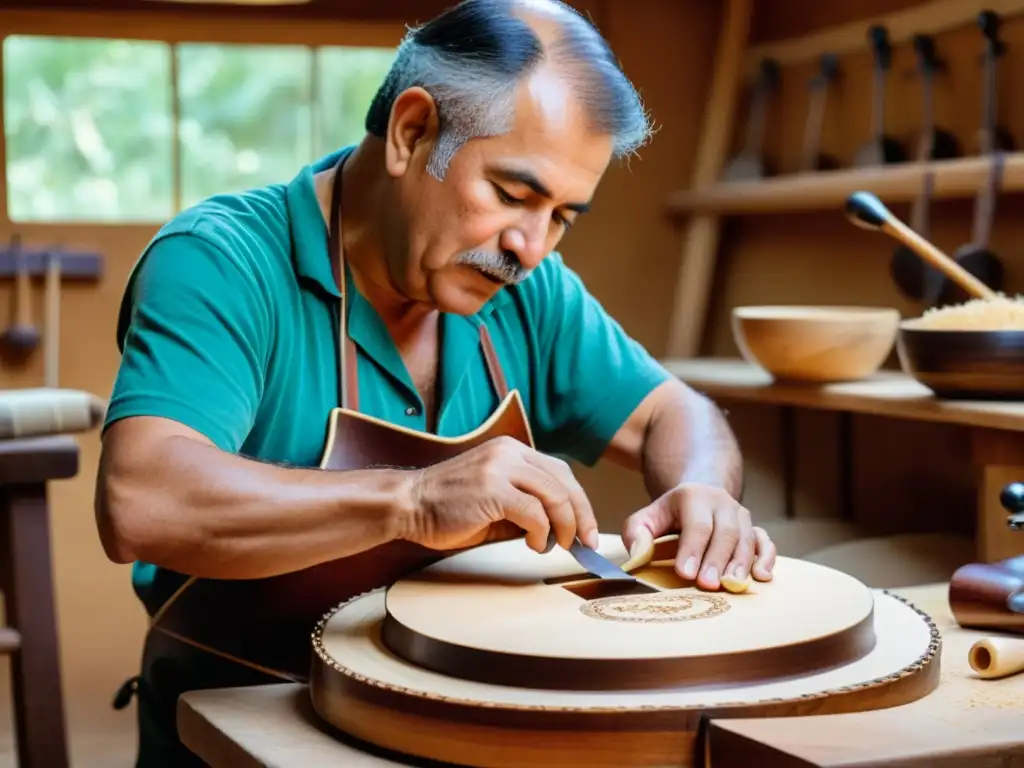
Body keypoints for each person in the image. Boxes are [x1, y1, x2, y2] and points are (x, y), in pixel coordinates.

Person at [95, 0, 777, 764]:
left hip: (462, 729)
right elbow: (141, 499)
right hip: (246, 731)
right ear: (412, 132)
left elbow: (671, 412)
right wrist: (413, 501)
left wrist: (704, 487)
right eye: (514, 196)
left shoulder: (530, 292)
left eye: (563, 217)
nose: (530, 246)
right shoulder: (223, 261)